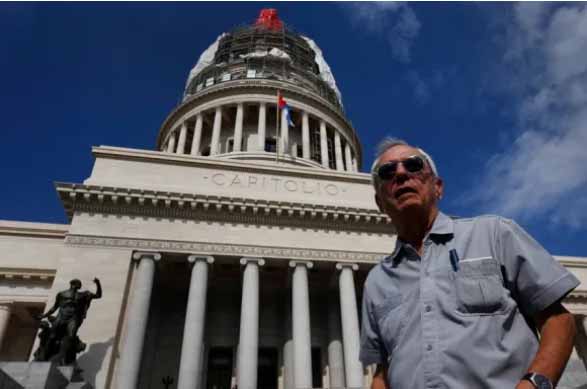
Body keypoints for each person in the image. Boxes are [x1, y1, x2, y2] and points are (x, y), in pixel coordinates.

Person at [360, 138, 579, 389]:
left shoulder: (494, 234)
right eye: (387, 172)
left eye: (413, 165)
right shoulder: (377, 281)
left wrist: (533, 384)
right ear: (379, 202)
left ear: (438, 187)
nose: (400, 173)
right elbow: (383, 372)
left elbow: (560, 320)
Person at [37, 278, 102, 365]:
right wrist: (44, 315)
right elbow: (54, 307)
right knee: (52, 336)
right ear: (73, 284)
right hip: (62, 316)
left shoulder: (83, 295)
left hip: (73, 318)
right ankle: (43, 356)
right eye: (78, 284)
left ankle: (63, 358)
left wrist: (98, 283)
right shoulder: (62, 294)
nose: (80, 285)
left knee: (71, 336)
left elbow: (98, 295)